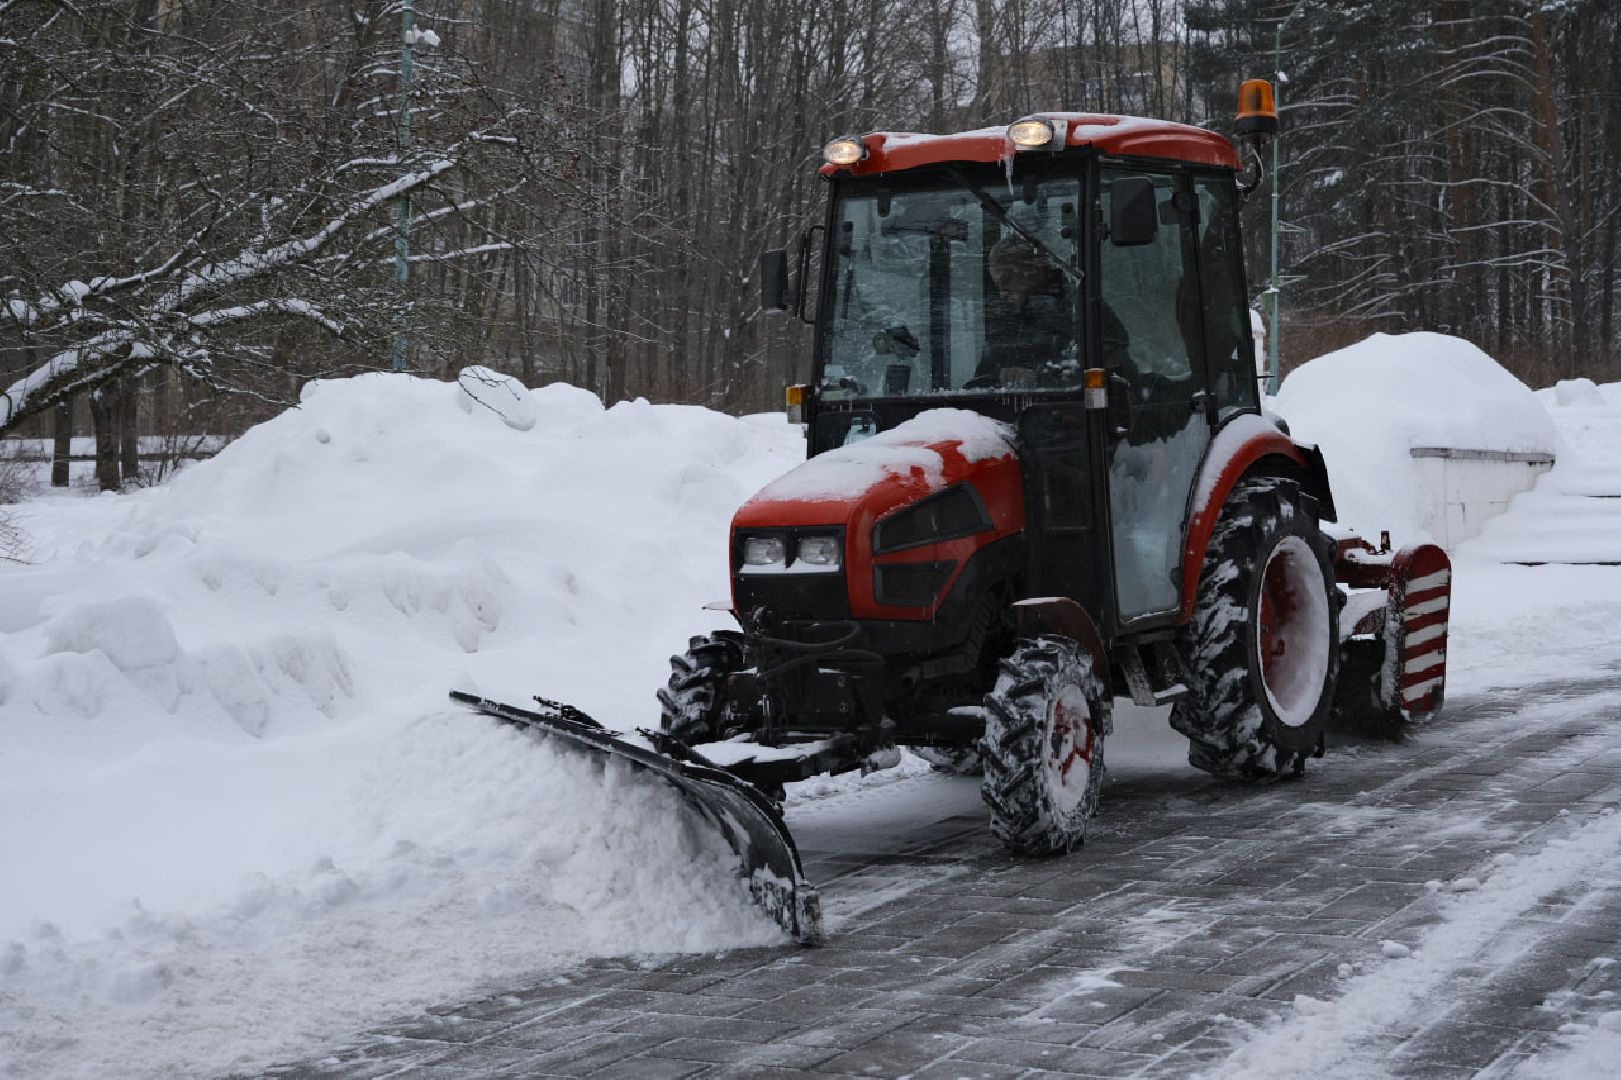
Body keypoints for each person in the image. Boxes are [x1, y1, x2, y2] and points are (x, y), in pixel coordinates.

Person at [970, 235, 1077, 388]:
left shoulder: (1080, 309)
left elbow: (1097, 374)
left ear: (1032, 269)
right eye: (998, 286)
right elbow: (983, 379)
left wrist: (1038, 380)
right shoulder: (1006, 322)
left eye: (1006, 280)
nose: (1002, 293)